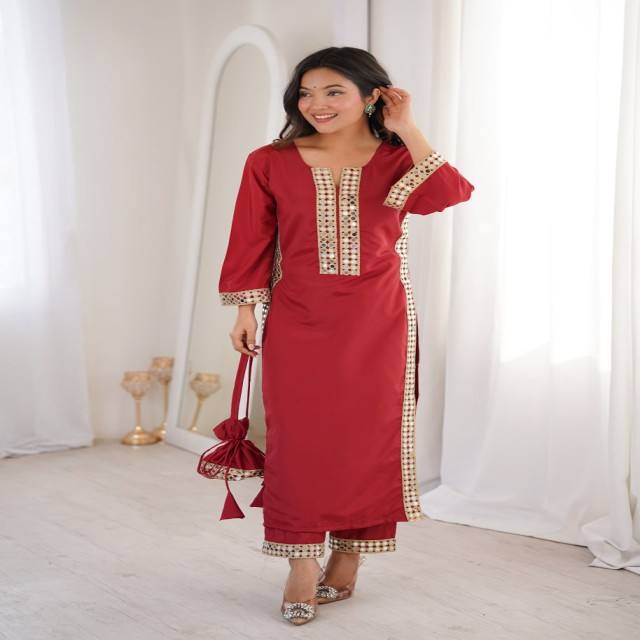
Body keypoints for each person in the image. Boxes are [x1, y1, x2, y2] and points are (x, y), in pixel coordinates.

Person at [218, 46, 475, 625]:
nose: (317, 104)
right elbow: (250, 238)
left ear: (371, 96)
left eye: (334, 91)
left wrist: (407, 127)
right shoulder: (270, 161)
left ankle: (349, 555)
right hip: (299, 321)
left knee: (368, 440)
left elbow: (449, 193)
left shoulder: (397, 158)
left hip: (378, 324)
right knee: (298, 442)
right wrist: (244, 310)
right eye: (307, 93)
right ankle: (301, 562)